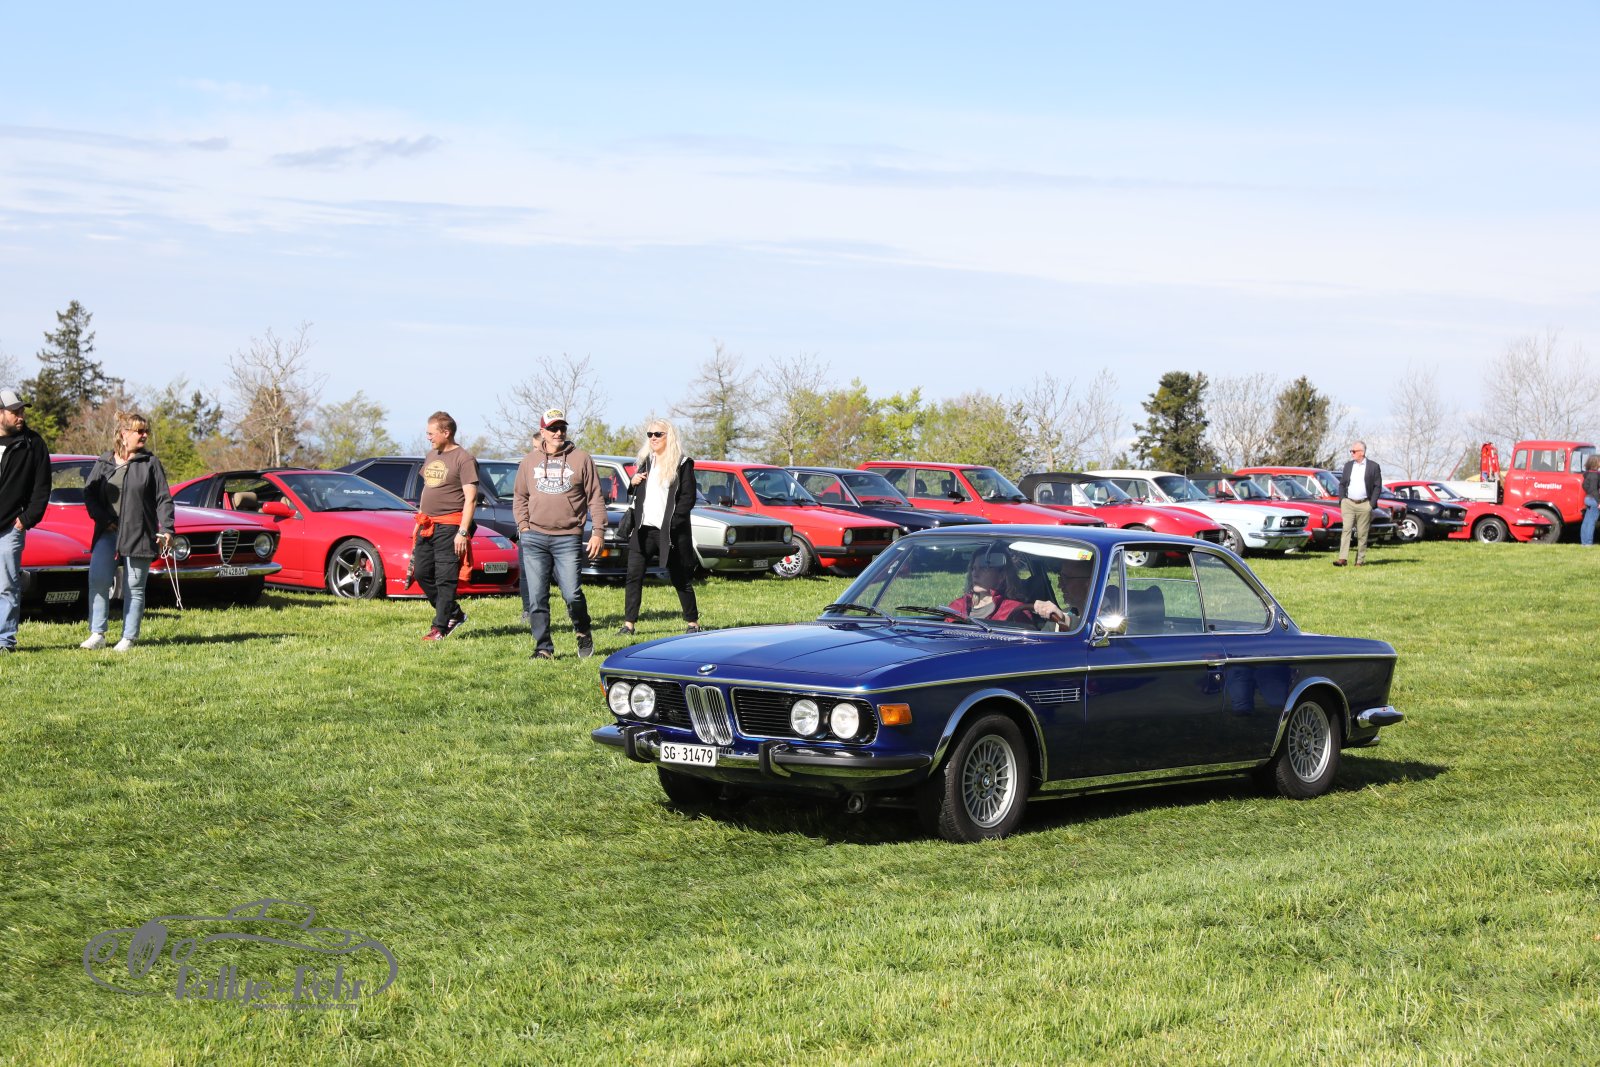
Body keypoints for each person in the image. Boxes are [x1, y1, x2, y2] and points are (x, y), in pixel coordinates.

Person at [512, 408, 605, 660]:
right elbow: (520, 497)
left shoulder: (581, 459)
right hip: (534, 537)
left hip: (568, 537)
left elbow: (595, 498)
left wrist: (598, 531)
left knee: (572, 593)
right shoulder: (529, 462)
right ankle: (543, 648)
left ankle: (583, 631)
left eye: (562, 427)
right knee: (537, 597)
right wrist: (524, 527)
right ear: (543, 432)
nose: (558, 432)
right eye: (553, 428)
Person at [81, 411, 176, 651]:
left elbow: (163, 499)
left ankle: (128, 637)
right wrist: (103, 519)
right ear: (124, 434)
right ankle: (97, 634)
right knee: (98, 580)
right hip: (107, 532)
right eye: (139, 431)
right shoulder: (105, 461)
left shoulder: (150, 463)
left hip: (139, 533)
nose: (144, 435)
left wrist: (167, 528)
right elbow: (89, 493)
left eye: (146, 431)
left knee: (134, 587)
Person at [618, 419, 700, 637]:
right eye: (650, 434)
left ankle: (693, 622)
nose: (653, 438)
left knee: (680, 578)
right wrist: (633, 482)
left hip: (669, 532)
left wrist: (672, 524)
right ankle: (628, 625)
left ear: (668, 436)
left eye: (658, 434)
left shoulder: (683, 463)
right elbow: (637, 493)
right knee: (633, 576)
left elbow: (688, 499)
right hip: (643, 529)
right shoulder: (647, 460)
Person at [414, 411, 478, 641]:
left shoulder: (464, 459)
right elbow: (427, 489)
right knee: (421, 573)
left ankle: (439, 628)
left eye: (431, 433)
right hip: (427, 524)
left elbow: (471, 499)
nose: (428, 437)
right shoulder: (432, 455)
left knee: (445, 578)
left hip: (450, 527)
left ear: (446, 432)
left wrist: (462, 531)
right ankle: (454, 613)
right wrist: (420, 516)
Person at [0, 388, 51, 653]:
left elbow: (42, 487)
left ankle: (4, 641)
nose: (20, 416)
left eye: (22, 411)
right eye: (14, 411)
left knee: (7, 585)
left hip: (11, 527)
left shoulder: (33, 444)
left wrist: (26, 519)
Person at [948, 545, 1036, 625]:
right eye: (973, 568)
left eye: (983, 568)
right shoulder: (957, 606)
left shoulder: (1016, 611)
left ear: (1001, 576)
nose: (975, 574)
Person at [1334, 440, 1382, 567]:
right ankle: (1342, 559)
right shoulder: (1348, 466)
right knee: (1346, 530)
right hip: (1348, 503)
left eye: (1354, 451)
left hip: (1365, 504)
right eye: (1351, 451)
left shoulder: (1373, 466)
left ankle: (1359, 561)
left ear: (1362, 452)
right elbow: (1342, 484)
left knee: (1362, 533)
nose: (1352, 453)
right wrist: (1342, 500)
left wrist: (1371, 504)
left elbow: (1377, 487)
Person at [1032, 555, 1096, 630]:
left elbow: (1095, 631)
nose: (1060, 585)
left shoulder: (1106, 616)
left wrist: (1065, 620)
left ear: (1089, 582)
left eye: (1066, 578)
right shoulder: (1059, 616)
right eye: (1060, 578)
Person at [1582, 455, 1600, 547]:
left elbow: (1584, 486)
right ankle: (1588, 543)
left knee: (1586, 521)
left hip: (1588, 498)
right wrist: (1599, 502)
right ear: (1596, 463)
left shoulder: (1587, 474)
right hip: (1594, 500)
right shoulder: (1595, 475)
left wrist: (1589, 493)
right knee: (1591, 522)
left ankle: (1584, 542)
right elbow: (1594, 490)